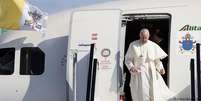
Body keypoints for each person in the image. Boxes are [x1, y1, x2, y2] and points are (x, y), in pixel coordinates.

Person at [124, 28, 175, 101]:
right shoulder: (133, 45)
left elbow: (157, 60)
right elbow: (128, 59)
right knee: (141, 93)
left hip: (151, 73)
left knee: (153, 92)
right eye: (143, 37)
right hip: (139, 73)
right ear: (140, 35)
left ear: (149, 36)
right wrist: (131, 67)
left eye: (146, 37)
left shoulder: (153, 45)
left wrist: (161, 68)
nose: (144, 39)